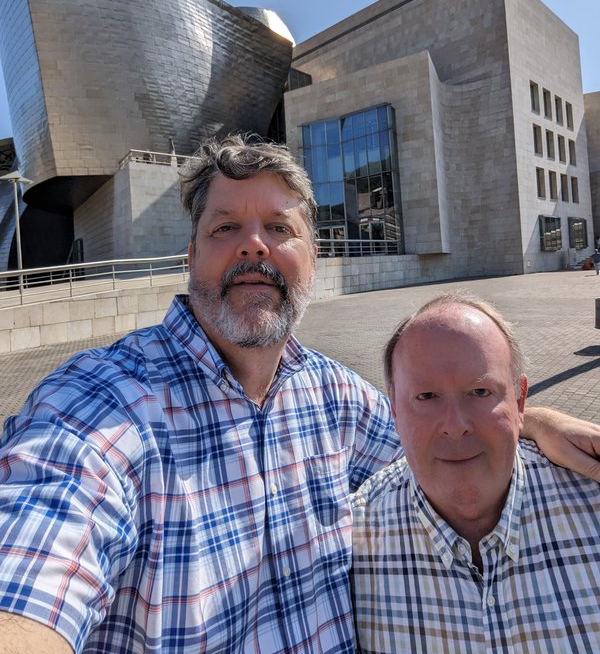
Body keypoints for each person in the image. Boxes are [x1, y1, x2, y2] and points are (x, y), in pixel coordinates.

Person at [0, 137, 598, 654]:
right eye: (225, 227)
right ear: (190, 257)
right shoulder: (98, 404)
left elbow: (439, 431)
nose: (253, 245)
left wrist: (523, 417)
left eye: (280, 228)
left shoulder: (336, 396)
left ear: (314, 258)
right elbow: (38, 568)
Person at [352, 293, 600, 653]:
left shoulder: (591, 502)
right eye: (426, 397)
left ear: (520, 401)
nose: (455, 426)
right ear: (393, 411)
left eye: (480, 392)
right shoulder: (353, 542)